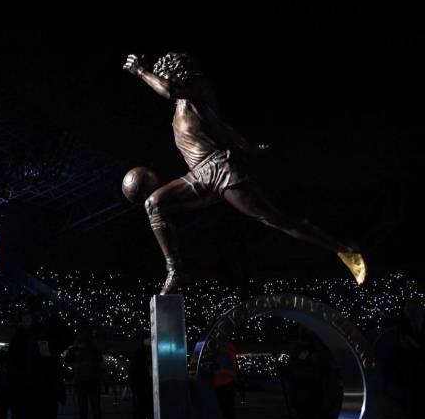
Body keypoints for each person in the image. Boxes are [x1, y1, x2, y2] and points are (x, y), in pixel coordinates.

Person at [121, 52, 367, 294]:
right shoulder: (182, 110)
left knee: (274, 219)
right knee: (155, 204)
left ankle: (343, 248)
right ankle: (176, 271)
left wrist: (141, 71)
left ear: (176, 73)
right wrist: (248, 147)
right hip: (198, 175)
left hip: (222, 170)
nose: (162, 80)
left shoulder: (198, 87)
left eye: (165, 75)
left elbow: (169, 90)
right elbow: (223, 129)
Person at [8, 302, 66, 419]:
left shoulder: (48, 335)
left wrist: (52, 317)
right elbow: (14, 362)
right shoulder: (21, 337)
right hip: (27, 396)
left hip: (45, 395)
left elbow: (66, 337)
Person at [67, 331, 103, 419]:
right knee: (95, 411)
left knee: (83, 411)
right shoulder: (94, 349)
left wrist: (71, 347)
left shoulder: (76, 350)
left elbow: (66, 358)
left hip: (82, 383)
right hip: (92, 383)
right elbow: (99, 362)